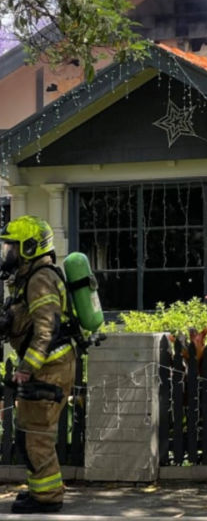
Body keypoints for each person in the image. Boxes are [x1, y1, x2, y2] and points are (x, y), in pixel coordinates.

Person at [0, 215, 76, 514]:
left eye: (12, 247)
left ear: (29, 247)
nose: (7, 253)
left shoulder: (40, 278)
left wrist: (25, 368)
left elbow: (47, 330)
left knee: (37, 435)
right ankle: (40, 491)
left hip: (50, 368)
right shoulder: (29, 277)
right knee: (29, 432)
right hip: (47, 366)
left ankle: (48, 498)